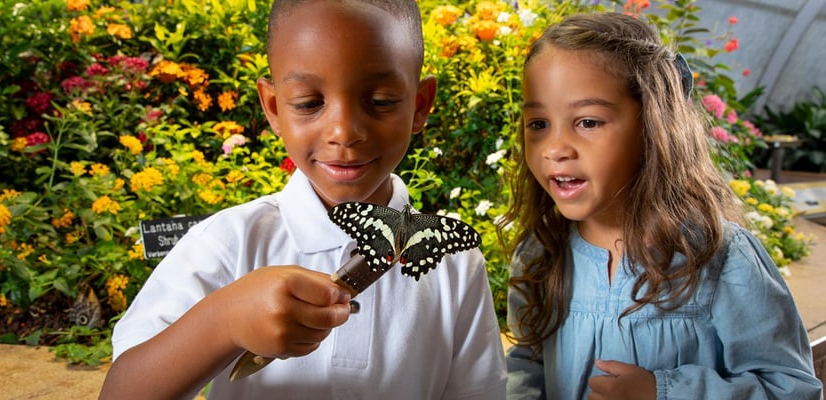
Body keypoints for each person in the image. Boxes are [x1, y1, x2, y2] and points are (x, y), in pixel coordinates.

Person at [97, 1, 507, 399]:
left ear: (419, 105)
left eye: (380, 101)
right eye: (310, 103)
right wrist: (224, 321)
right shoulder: (228, 244)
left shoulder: (453, 264)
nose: (344, 131)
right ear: (274, 108)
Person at [501, 12, 823, 400]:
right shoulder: (541, 254)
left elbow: (792, 389)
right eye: (538, 124)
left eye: (587, 122)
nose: (554, 149)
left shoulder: (719, 259)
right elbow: (525, 366)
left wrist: (663, 392)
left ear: (653, 125)